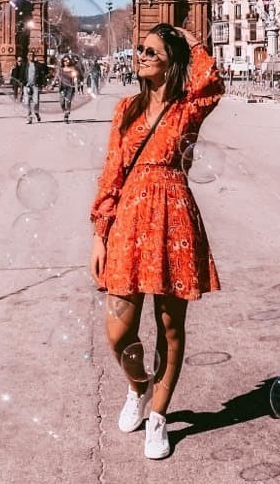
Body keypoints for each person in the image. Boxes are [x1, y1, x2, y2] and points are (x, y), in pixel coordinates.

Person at [89, 24, 224, 460]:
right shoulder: (126, 110)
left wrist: (191, 39)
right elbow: (112, 171)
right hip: (128, 220)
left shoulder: (187, 108)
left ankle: (160, 418)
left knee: (170, 327)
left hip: (173, 220)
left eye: (151, 50)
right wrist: (99, 235)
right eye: (138, 49)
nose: (140, 55)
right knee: (117, 332)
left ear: (171, 61)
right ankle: (139, 387)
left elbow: (212, 81)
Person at [19, 51, 48, 124]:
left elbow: (45, 71)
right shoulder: (24, 65)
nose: (30, 56)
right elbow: (21, 75)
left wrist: (43, 83)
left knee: (36, 101)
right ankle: (29, 117)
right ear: (27, 56)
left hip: (35, 85)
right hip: (27, 85)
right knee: (27, 102)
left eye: (32, 55)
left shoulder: (37, 65)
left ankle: (36, 112)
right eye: (29, 55)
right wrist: (22, 83)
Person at [58, 56, 78, 123]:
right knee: (62, 102)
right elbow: (58, 78)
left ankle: (66, 116)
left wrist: (75, 81)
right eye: (64, 61)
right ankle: (65, 111)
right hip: (62, 88)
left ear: (69, 61)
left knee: (68, 101)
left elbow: (75, 77)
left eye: (67, 60)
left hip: (70, 88)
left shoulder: (72, 69)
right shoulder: (61, 70)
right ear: (63, 62)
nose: (66, 62)